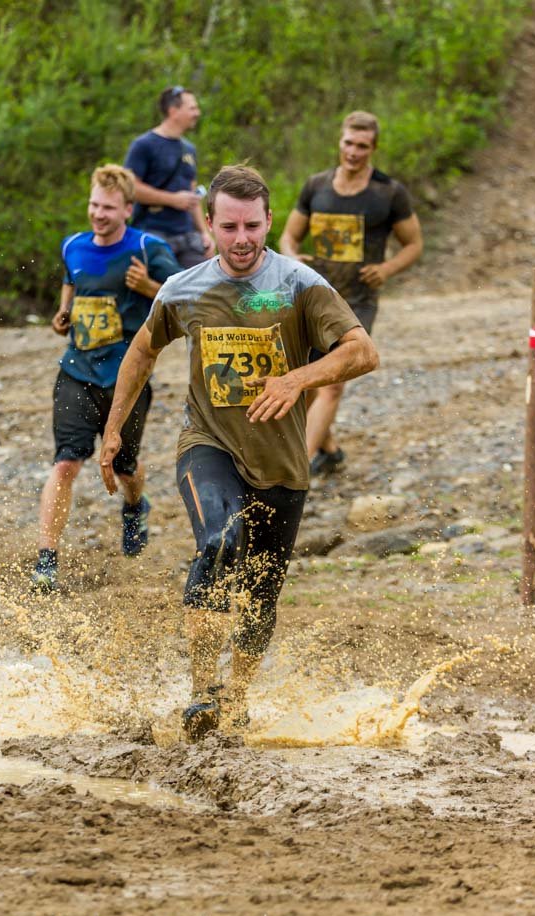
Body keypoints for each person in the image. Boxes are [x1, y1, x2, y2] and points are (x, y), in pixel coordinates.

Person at [99, 164, 379, 742]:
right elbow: (142, 352)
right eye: (230, 227)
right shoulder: (184, 289)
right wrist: (114, 429)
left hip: (282, 464)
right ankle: (202, 691)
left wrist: (297, 379)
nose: (243, 238)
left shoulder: (301, 284)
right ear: (209, 225)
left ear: (269, 220)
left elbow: (362, 352)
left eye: (253, 225)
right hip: (209, 443)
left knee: (260, 593)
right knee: (220, 541)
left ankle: (239, 696)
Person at [31, 164, 180, 592]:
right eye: (94, 204)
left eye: (108, 208)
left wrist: (147, 284)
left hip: (126, 377)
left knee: (124, 466)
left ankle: (135, 507)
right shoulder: (73, 245)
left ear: (128, 210)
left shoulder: (149, 247)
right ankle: (47, 559)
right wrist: (62, 319)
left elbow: (182, 297)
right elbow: (71, 291)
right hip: (76, 370)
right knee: (66, 463)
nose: (98, 214)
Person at [279, 110, 422, 474]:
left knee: (331, 386)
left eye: (362, 146)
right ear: (339, 142)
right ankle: (328, 449)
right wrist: (294, 257)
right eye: (348, 143)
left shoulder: (389, 192)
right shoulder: (316, 186)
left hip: (357, 302)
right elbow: (289, 236)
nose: (353, 152)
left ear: (373, 148)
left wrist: (387, 269)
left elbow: (414, 244)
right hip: (313, 297)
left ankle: (301, 466)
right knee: (308, 379)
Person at [124, 85, 215, 268]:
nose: (197, 113)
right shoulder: (143, 145)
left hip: (187, 235)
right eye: (192, 108)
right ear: (173, 111)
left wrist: (205, 233)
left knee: (201, 290)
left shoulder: (189, 149)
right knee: (162, 289)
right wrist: (172, 199)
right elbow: (129, 188)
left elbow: (192, 196)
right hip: (152, 233)